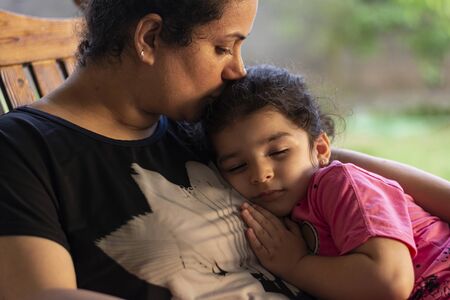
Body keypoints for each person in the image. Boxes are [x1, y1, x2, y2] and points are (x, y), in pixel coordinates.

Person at [0, 1, 449, 299]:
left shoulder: (196, 123)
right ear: (149, 38)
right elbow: (36, 294)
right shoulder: (25, 149)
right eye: (223, 47)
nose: (238, 70)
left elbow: (329, 165)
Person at [203, 64, 450, 300]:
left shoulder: (340, 184)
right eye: (237, 166)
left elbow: (391, 281)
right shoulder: (289, 213)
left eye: (278, 152)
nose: (260, 174)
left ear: (320, 148)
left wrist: (296, 265)